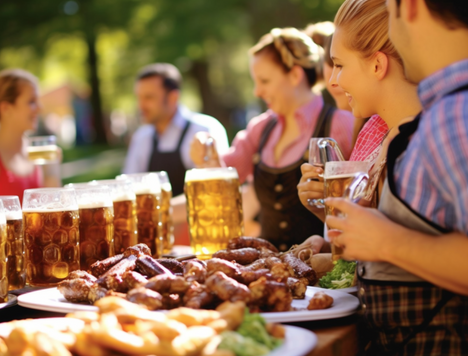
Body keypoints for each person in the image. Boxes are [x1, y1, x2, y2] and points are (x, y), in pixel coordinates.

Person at [325, 0, 468, 356]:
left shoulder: (454, 115)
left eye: (390, 9)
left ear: (411, 6)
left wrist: (388, 242)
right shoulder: (441, 113)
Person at [191, 27, 355, 251]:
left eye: (264, 81)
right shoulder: (260, 128)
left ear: (295, 75)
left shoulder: (340, 124)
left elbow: (358, 203)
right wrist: (205, 146)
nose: (257, 91)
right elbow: (223, 174)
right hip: (268, 271)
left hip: (322, 269)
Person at [297, 0, 420, 235]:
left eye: (339, 65)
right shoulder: (375, 132)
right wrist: (325, 221)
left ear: (377, 65)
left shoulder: (421, 140)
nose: (334, 81)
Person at [123, 63, 229, 197]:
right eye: (139, 97)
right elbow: (128, 188)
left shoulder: (204, 129)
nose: (141, 105)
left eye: (149, 97)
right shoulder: (142, 137)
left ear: (173, 98)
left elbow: (214, 192)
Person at [0, 69, 58, 204]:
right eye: (31, 101)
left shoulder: (39, 154)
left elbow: (53, 213)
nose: (39, 108)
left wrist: (52, 169)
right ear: (5, 109)